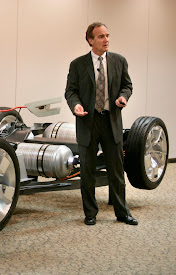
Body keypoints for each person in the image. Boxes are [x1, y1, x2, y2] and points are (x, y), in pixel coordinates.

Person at [65, 22, 138, 226]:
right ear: (90, 40)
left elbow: (127, 85)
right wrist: (76, 105)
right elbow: (71, 91)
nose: (106, 40)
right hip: (88, 121)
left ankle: (122, 212)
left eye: (107, 35)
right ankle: (90, 213)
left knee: (116, 170)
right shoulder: (77, 64)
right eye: (100, 37)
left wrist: (123, 97)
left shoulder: (119, 61)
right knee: (87, 172)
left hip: (111, 120)